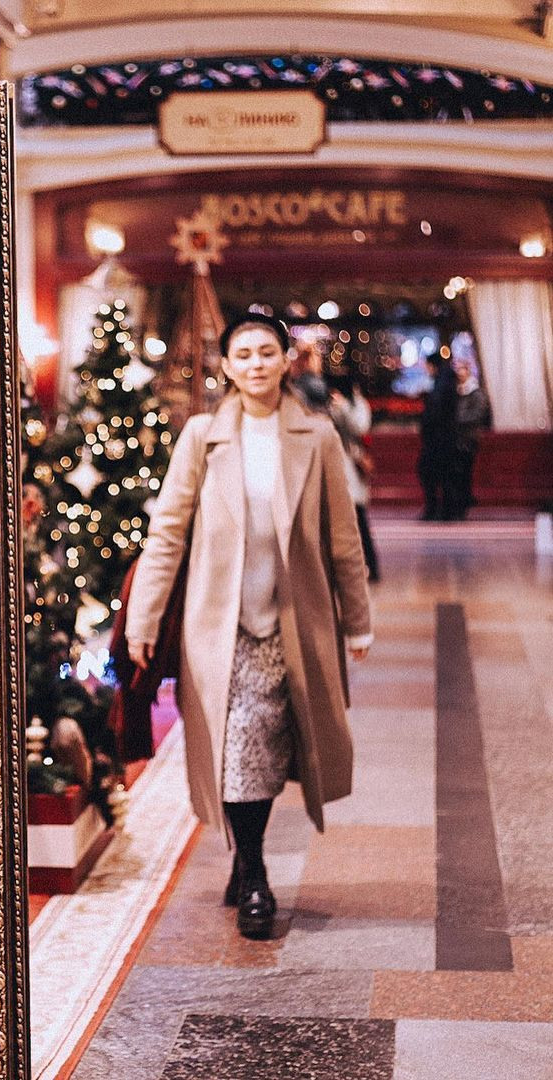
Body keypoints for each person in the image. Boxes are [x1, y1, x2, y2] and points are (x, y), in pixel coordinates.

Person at [123, 312, 372, 940]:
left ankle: (249, 862)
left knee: (264, 740)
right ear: (227, 367)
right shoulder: (203, 436)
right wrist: (143, 618)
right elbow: (168, 532)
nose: (257, 363)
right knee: (239, 741)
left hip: (289, 620)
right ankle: (255, 872)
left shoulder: (315, 438)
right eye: (244, 354)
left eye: (268, 352)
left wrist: (357, 621)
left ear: (286, 360)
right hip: (219, 623)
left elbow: (343, 540)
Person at [327, 373, 380, 583]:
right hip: (335, 465)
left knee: (359, 520)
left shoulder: (357, 404)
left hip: (351, 466)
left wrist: (342, 409)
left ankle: (372, 566)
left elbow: (359, 427)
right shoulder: (330, 402)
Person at [444, 361, 490, 520]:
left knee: (464, 473)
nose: (460, 373)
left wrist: (455, 419)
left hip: (468, 439)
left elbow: (477, 414)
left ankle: (463, 505)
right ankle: (457, 506)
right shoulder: (455, 392)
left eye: (462, 369)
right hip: (455, 439)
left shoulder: (476, 392)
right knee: (455, 474)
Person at [417, 355, 457, 520]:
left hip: (438, 438)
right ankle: (444, 509)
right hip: (443, 437)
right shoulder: (445, 381)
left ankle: (437, 509)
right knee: (442, 476)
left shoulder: (441, 384)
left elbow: (436, 411)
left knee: (432, 474)